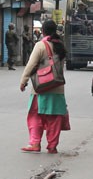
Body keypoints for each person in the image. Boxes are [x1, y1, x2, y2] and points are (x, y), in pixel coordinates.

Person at [19, 19, 68, 154]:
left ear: (43, 31)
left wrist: (23, 81)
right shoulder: (61, 46)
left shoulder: (41, 45)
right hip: (57, 87)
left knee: (35, 115)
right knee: (55, 117)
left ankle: (35, 143)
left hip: (40, 88)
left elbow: (31, 65)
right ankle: (52, 146)